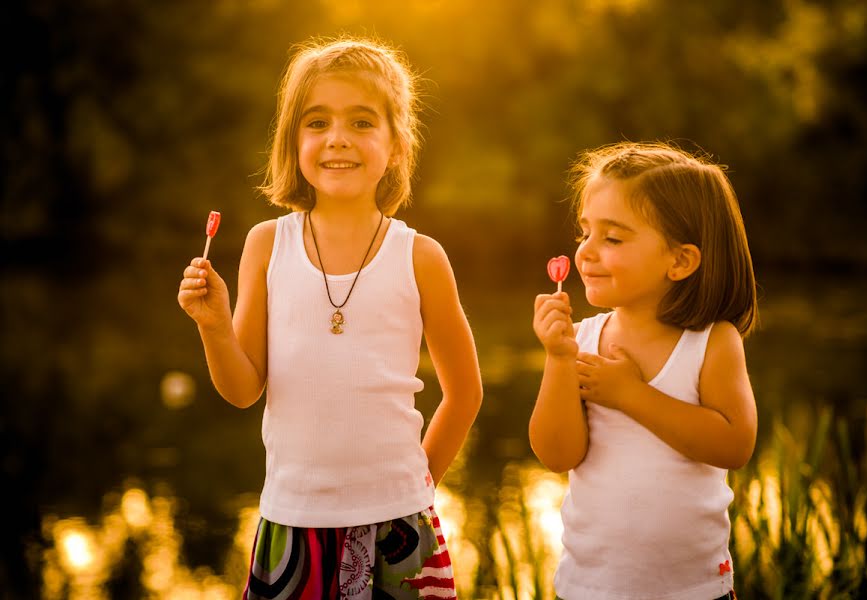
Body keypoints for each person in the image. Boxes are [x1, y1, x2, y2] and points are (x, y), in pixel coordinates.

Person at [177, 38, 482, 599]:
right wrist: (213, 325)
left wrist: (416, 488)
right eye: (317, 122)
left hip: (401, 526)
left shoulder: (420, 257)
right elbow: (243, 389)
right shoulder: (267, 245)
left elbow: (464, 393)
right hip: (292, 523)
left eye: (362, 122)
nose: (338, 138)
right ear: (293, 141)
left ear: (395, 144)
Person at [530, 142, 758, 600]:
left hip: (693, 589)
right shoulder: (581, 340)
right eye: (584, 233)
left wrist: (630, 394)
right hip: (589, 586)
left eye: (612, 238)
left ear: (680, 260)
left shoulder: (710, 342)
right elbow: (557, 456)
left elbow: (734, 445)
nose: (587, 252)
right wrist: (557, 359)